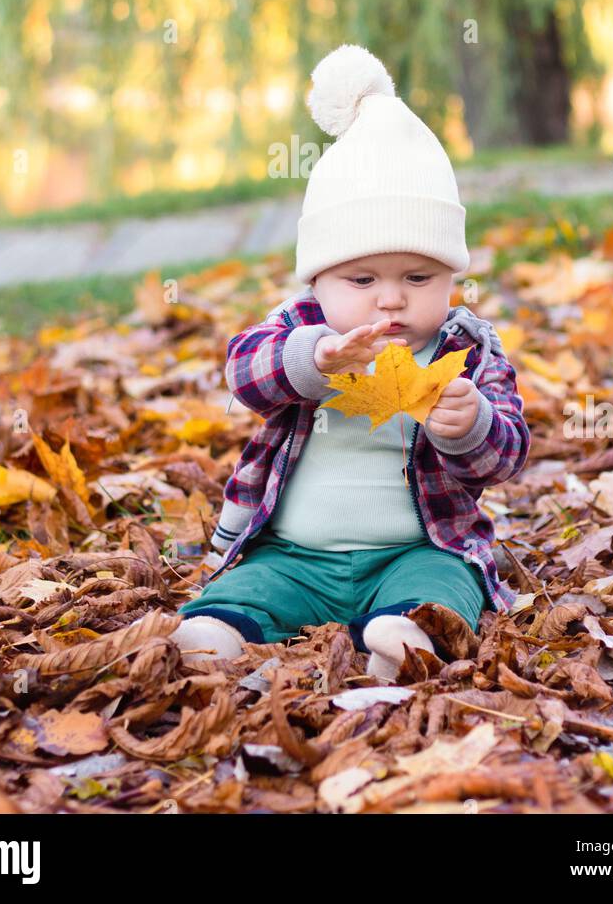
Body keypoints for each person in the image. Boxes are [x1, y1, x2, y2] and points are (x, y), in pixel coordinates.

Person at [171, 43, 531, 682]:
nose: (391, 298)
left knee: (445, 581)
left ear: (451, 275)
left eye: (418, 276)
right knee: (245, 594)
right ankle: (222, 632)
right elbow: (244, 376)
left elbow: (505, 458)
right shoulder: (301, 329)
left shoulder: (464, 350)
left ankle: (404, 634)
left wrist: (471, 426)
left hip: (416, 548)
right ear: (320, 281)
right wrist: (312, 362)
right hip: (292, 554)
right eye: (362, 279)